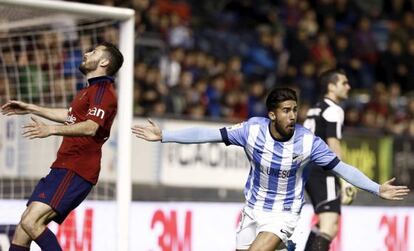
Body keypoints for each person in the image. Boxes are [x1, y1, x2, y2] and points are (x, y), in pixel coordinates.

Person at [131, 87, 409, 251]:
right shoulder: (251, 130)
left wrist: (376, 188)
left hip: (284, 214)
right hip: (252, 209)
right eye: (286, 110)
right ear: (272, 115)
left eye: (295, 109)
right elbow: (208, 134)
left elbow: (342, 168)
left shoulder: (307, 142)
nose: (292, 115)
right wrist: (165, 135)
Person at [1, 42, 123, 251]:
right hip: (64, 166)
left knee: (31, 222)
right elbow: (70, 116)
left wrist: (50, 129)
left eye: (93, 52)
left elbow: (90, 127)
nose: (86, 53)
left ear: (104, 62)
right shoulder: (89, 90)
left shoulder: (104, 91)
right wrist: (31, 108)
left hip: (77, 168)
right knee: (24, 227)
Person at [303, 69, 355, 251]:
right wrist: (345, 178)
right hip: (322, 171)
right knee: (329, 225)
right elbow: (333, 145)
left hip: (308, 170)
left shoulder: (315, 107)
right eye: (344, 83)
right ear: (331, 87)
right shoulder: (334, 109)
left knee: (324, 224)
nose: (348, 87)